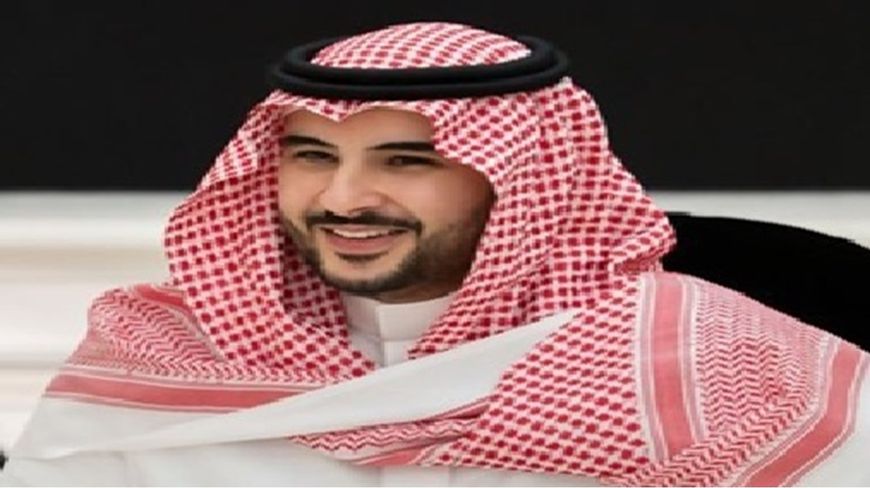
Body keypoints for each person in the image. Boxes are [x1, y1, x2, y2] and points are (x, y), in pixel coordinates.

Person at [1, 22, 867, 486]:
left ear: (520, 179)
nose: (343, 199)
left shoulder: (722, 368)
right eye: (312, 156)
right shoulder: (158, 357)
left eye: (406, 162)